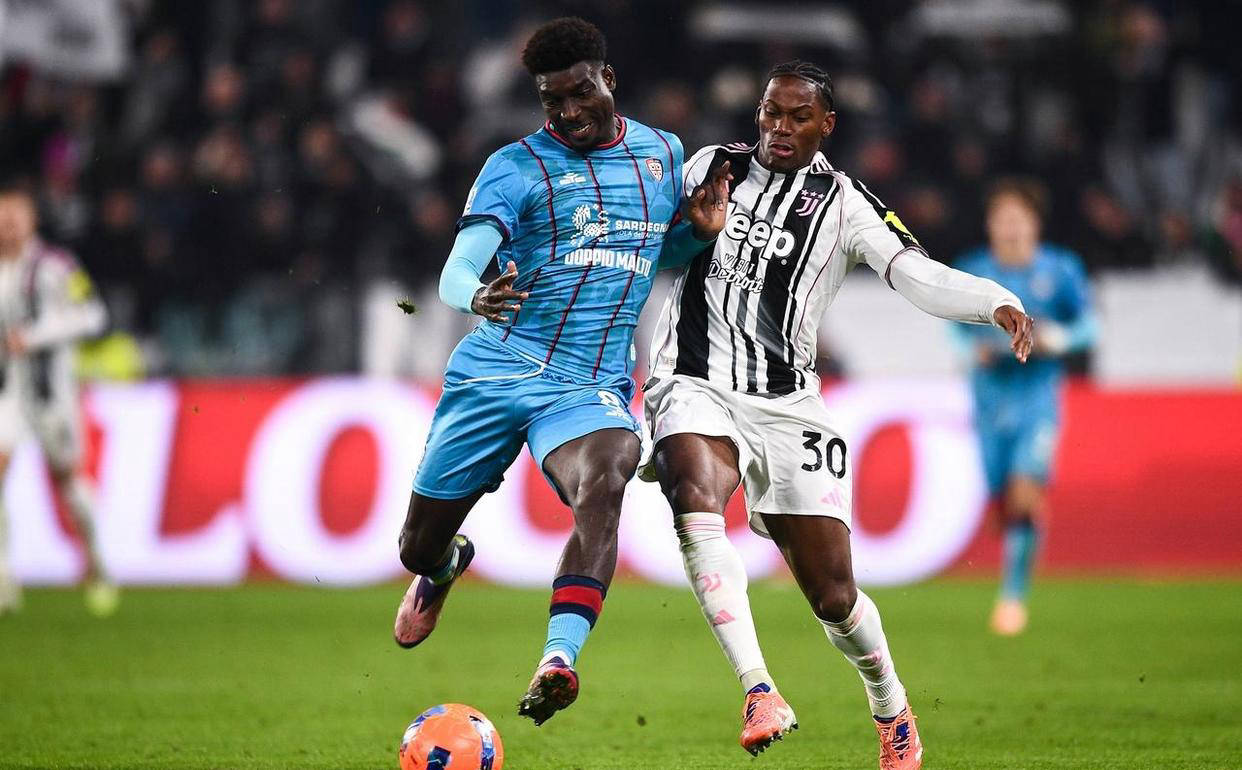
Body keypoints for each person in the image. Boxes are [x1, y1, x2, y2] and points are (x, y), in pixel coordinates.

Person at [641, 61, 1034, 768]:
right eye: (771, 113)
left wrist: (992, 301)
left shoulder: (847, 204)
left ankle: (891, 706)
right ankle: (759, 689)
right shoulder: (712, 165)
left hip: (787, 402)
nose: (780, 128)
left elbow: (914, 272)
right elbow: (655, 247)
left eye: (798, 117)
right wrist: (688, 231)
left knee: (832, 596)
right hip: (691, 377)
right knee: (693, 496)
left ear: (827, 125)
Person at [389, 17, 727, 726]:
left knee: (608, 476)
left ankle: (558, 659)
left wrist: (694, 234)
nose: (569, 112)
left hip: (587, 383)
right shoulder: (514, 168)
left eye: (580, 93)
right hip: (497, 369)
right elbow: (455, 271)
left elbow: (646, 255)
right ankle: (443, 566)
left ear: (610, 80)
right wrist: (475, 295)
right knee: (416, 545)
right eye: (552, 101)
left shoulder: (662, 154)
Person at [953, 179, 1095, 636]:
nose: (1012, 227)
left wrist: (1058, 339)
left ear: (1035, 224)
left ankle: (1012, 598)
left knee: (1024, 493)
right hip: (989, 400)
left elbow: (1089, 327)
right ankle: (1016, 527)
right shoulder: (973, 271)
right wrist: (969, 350)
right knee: (1002, 504)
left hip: (1037, 398)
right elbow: (952, 327)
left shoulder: (1061, 269)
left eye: (1020, 218)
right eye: (1003, 219)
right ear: (990, 225)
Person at [0, 180, 115, 617]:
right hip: (8, 392)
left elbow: (94, 315)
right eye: (1, 217)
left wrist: (35, 336)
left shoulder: (56, 266)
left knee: (69, 481)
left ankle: (96, 561)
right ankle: (3, 578)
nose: (7, 224)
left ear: (32, 219)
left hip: (52, 394)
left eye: (15, 215)